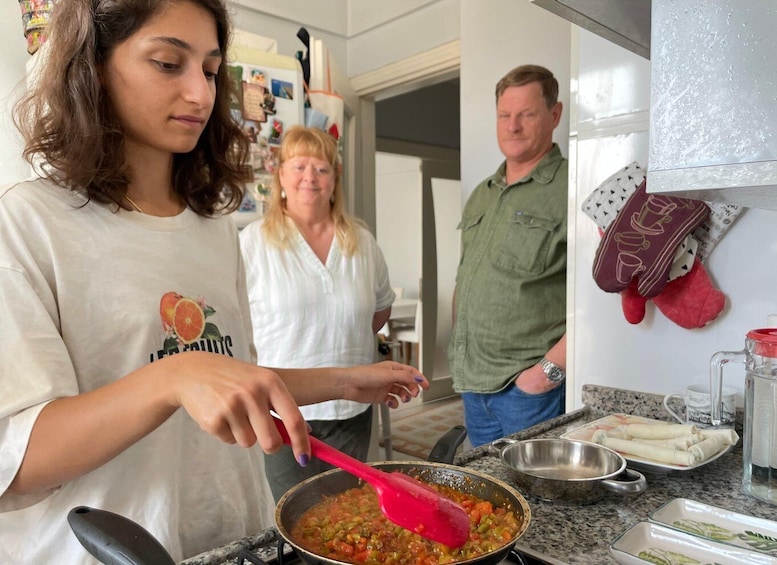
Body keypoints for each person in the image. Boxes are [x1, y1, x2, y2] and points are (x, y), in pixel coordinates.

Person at [0, 2, 427, 563]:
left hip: (232, 539)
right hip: (107, 549)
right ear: (93, 67)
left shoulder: (213, 227)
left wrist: (345, 382)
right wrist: (172, 376)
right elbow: (17, 462)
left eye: (208, 69)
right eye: (167, 63)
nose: (201, 95)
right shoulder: (28, 223)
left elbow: (229, 378)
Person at [239, 126, 394, 502]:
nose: (310, 177)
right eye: (299, 166)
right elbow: (238, 324)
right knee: (296, 517)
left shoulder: (361, 241)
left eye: (322, 168)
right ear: (280, 175)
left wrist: (342, 334)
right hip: (285, 411)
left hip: (352, 410)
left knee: (350, 515)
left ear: (334, 179)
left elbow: (378, 311)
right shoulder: (253, 242)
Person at [448, 64, 567, 448]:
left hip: (529, 394)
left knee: (537, 505)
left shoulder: (572, 186)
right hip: (473, 387)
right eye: (504, 115)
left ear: (554, 115)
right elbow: (466, 276)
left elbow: (600, 302)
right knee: (489, 503)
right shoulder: (483, 192)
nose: (512, 126)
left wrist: (545, 374)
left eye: (526, 114)